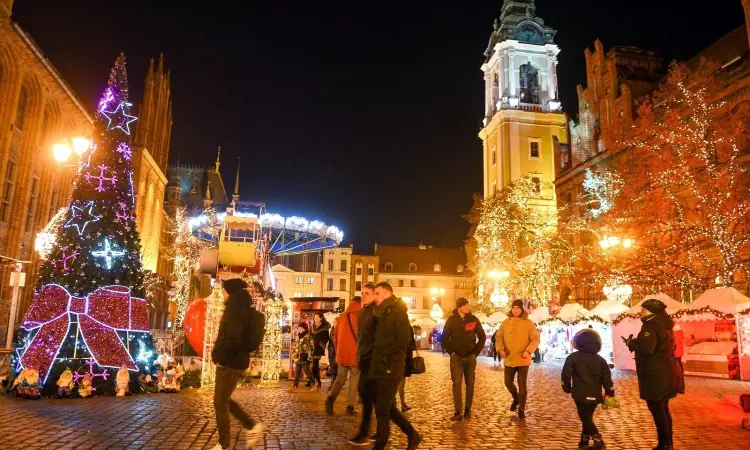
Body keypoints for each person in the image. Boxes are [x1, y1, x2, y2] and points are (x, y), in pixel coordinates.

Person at [210, 279, 264, 450]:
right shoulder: (239, 308)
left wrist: (220, 357)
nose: (222, 295)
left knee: (220, 402)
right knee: (223, 399)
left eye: (224, 291)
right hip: (236, 360)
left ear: (230, 292)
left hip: (230, 362)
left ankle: (224, 444)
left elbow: (231, 338)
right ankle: (251, 426)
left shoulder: (235, 310)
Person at [625, 299, 685, 450]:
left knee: (658, 409)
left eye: (644, 310)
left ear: (651, 312)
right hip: (666, 372)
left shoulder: (650, 326)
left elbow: (647, 350)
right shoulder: (664, 325)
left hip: (656, 374)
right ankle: (667, 443)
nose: (641, 313)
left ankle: (664, 445)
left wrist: (632, 344)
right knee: (663, 408)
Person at [370, 282, 421, 450]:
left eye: (377, 293)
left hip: (391, 367)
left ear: (386, 294)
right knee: (387, 407)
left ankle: (380, 445)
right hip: (379, 365)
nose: (374, 296)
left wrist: (389, 363)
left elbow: (402, 341)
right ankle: (412, 434)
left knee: (383, 409)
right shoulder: (382, 312)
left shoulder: (398, 312)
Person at [562, 328, 615, 450]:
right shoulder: (600, 360)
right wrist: (609, 392)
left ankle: (599, 441)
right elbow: (607, 378)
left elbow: (566, 374)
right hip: (595, 394)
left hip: (580, 394)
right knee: (587, 418)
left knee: (586, 419)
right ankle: (584, 442)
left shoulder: (573, 357)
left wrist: (566, 386)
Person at [441, 297, 486, 421]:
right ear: (459, 307)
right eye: (465, 305)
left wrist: (475, 353)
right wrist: (452, 353)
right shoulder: (451, 320)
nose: (468, 307)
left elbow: (482, 337)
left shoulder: (473, 319)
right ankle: (457, 411)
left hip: (470, 356)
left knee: (470, 384)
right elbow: (444, 338)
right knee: (456, 383)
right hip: (456, 358)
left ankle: (467, 409)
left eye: (468, 305)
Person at [497, 299, 540, 420]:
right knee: (508, 383)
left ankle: (521, 408)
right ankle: (516, 399)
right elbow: (499, 336)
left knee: (522, 386)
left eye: (518, 308)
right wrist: (500, 348)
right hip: (509, 358)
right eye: (513, 308)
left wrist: (528, 351)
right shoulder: (505, 322)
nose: (515, 310)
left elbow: (535, 338)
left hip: (523, 359)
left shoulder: (528, 323)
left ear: (522, 310)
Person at [348, 284, 378, 446]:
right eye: (362, 293)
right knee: (368, 396)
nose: (364, 296)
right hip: (364, 359)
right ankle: (370, 431)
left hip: (373, 360)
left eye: (367, 293)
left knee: (369, 397)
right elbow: (361, 336)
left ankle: (365, 433)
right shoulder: (364, 312)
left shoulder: (376, 312)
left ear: (375, 295)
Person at [326, 296, 362, 416]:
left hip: (342, 353)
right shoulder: (360, 316)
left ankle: (330, 399)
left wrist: (338, 351)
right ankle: (349, 406)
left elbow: (335, 338)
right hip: (355, 354)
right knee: (354, 379)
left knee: (340, 378)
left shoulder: (341, 317)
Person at [397, 326, 417, 412]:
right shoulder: (408, 327)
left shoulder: (391, 323)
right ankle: (402, 403)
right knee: (401, 381)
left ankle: (400, 403)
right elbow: (412, 344)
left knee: (396, 381)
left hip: (395, 357)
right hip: (404, 357)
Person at [289, 322, 313, 392]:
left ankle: (313, 383)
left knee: (307, 372)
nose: (299, 329)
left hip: (304, 357)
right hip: (297, 357)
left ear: (304, 329)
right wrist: (293, 353)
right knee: (297, 372)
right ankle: (295, 386)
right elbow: (296, 346)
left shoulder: (308, 336)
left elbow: (312, 348)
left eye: (300, 328)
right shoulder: (299, 336)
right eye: (298, 328)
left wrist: (309, 358)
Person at [310, 312, 330, 392]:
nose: (316, 319)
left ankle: (316, 382)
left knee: (314, 365)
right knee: (314, 366)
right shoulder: (312, 327)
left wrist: (321, 344)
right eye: (315, 317)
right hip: (312, 348)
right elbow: (310, 336)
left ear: (321, 318)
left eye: (317, 317)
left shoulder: (324, 328)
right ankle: (317, 382)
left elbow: (326, 338)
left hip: (318, 348)